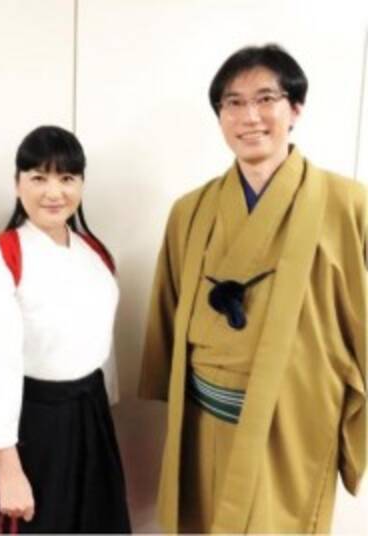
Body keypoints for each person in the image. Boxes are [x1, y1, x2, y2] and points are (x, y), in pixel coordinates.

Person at [139, 44, 366, 533]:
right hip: (203, 418)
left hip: (291, 422)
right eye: (233, 102)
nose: (250, 116)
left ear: (295, 108)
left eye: (266, 99)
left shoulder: (350, 206)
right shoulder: (190, 210)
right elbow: (168, 309)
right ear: (220, 115)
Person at [0, 125, 131, 533]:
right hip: (27, 427)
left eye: (67, 178)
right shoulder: (0, 257)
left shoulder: (95, 253)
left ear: (81, 184)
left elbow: (102, 349)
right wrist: (8, 469)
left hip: (89, 417)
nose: (54, 192)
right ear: (17, 184)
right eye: (38, 178)